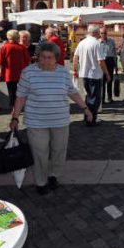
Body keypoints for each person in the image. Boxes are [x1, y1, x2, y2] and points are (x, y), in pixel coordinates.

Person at [10, 42, 93, 195]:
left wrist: (85, 108)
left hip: (60, 120)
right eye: (43, 57)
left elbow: (72, 92)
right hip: (36, 121)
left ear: (56, 58)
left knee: (59, 150)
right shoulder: (28, 72)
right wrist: (15, 117)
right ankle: (41, 182)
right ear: (37, 57)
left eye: (50, 58)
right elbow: (20, 96)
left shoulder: (62, 72)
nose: (46, 61)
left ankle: (54, 175)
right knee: (39, 152)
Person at [73, 24, 109, 126]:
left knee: (88, 97)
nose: (99, 35)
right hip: (95, 74)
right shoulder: (97, 44)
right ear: (96, 33)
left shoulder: (82, 42)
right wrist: (106, 73)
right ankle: (91, 119)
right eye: (98, 33)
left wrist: (75, 70)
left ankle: (87, 117)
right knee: (95, 98)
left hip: (84, 73)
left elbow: (75, 57)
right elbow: (100, 61)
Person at [0, 30, 31, 108]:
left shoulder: (4, 47)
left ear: (9, 37)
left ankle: (13, 106)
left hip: (9, 73)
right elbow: (28, 61)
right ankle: (23, 104)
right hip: (21, 73)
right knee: (22, 90)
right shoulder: (22, 47)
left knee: (12, 91)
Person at [99, 27, 117, 104]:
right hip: (102, 61)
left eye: (105, 33)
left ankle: (109, 97)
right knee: (102, 81)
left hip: (110, 60)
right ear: (99, 34)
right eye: (102, 33)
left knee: (110, 80)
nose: (103, 35)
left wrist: (115, 64)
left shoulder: (111, 41)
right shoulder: (97, 42)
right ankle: (102, 99)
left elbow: (114, 53)